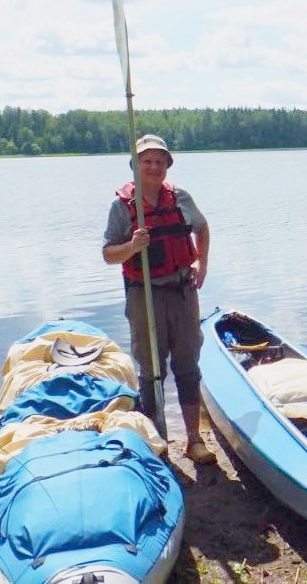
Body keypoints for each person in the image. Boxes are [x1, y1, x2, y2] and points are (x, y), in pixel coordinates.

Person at [103, 134, 216, 464]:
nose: (153, 167)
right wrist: (132, 247)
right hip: (144, 296)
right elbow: (109, 254)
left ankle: (194, 439)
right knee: (151, 369)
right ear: (136, 166)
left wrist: (201, 262)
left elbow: (203, 228)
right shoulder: (122, 207)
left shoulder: (180, 198)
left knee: (187, 364)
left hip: (182, 292)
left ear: (167, 165)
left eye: (159, 161)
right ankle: (156, 440)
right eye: (146, 161)